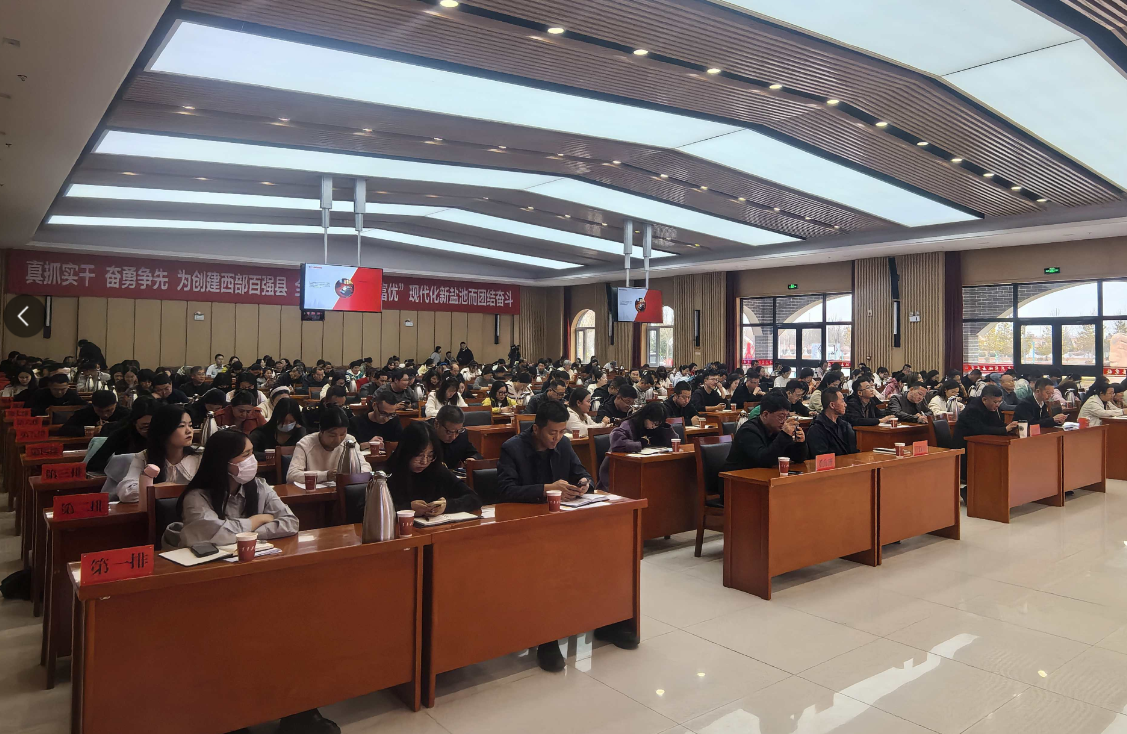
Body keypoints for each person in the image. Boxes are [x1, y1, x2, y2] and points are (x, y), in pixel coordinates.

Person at [495, 401, 624, 670]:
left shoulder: (563, 444)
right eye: (552, 432)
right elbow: (505, 490)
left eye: (561, 431)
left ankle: (609, 621)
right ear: (536, 429)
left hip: (564, 523)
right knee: (551, 569)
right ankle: (547, 638)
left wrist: (584, 484)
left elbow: (582, 473)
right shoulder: (512, 448)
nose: (557, 437)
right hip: (527, 530)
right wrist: (547, 489)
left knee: (607, 554)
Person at [386, 421, 482, 517]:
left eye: (430, 455)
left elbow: (474, 498)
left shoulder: (436, 468)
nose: (424, 461)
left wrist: (446, 506)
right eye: (419, 455)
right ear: (406, 451)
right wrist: (407, 509)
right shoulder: (387, 473)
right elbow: (379, 511)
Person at [116, 405, 199, 503]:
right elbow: (126, 493)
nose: (189, 431)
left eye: (190, 425)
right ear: (164, 429)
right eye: (181, 426)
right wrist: (160, 488)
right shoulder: (144, 457)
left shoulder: (199, 457)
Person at [722, 392, 808, 474]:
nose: (784, 421)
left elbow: (797, 458)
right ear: (765, 414)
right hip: (737, 478)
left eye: (787, 416)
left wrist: (800, 443)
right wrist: (784, 436)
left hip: (764, 475)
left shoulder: (777, 430)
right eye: (781, 416)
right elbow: (764, 460)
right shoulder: (748, 431)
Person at [599, 402, 675, 488]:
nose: (654, 426)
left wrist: (664, 427)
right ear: (646, 417)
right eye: (653, 422)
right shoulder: (629, 424)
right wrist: (640, 443)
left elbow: (673, 441)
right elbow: (617, 443)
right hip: (618, 470)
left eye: (657, 424)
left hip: (641, 468)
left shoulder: (655, 427)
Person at [286, 406, 360, 485]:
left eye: (342, 434)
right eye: (332, 435)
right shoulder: (306, 444)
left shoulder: (349, 441)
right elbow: (291, 476)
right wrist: (325, 475)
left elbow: (365, 468)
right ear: (321, 431)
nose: (338, 440)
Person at [87, 398, 158, 474]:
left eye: (156, 426)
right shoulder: (122, 435)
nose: (151, 431)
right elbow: (93, 465)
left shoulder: (164, 435)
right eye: (145, 427)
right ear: (134, 423)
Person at [953, 384, 1019, 450]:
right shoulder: (972, 409)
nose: (998, 405)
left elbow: (997, 424)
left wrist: (1011, 428)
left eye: (1000, 402)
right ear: (984, 400)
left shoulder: (992, 407)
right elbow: (981, 429)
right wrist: (1005, 429)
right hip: (965, 446)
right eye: (995, 402)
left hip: (982, 442)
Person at [805, 387, 857, 457]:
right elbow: (821, 457)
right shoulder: (816, 429)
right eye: (842, 401)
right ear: (832, 405)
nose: (845, 404)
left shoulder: (845, 426)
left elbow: (853, 452)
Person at [428, 405, 482, 470]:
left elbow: (475, 454)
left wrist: (472, 459)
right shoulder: (424, 433)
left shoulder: (461, 434)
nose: (453, 437)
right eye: (449, 432)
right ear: (436, 424)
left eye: (457, 431)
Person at [58, 389, 127, 436]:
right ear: (93, 405)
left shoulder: (125, 413)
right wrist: (89, 431)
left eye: (109, 410)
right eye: (99, 411)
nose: (105, 415)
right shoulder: (85, 412)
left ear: (115, 404)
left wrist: (107, 428)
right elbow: (64, 430)